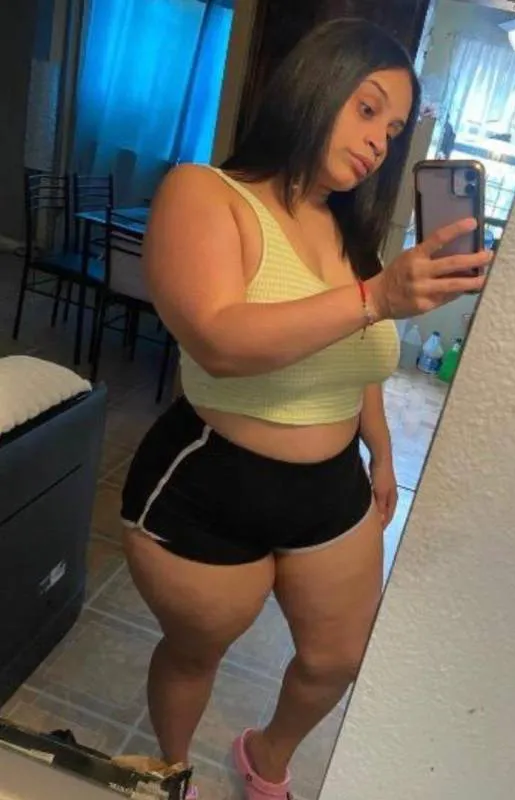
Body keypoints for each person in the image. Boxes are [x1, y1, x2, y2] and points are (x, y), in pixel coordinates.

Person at [120, 17, 490, 800]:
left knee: (336, 658)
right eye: (367, 109)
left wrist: (380, 448)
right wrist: (376, 297)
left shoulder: (351, 235)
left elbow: (357, 357)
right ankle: (173, 771)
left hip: (331, 485)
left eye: (393, 130)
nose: (379, 142)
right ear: (314, 86)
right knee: (195, 653)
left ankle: (267, 759)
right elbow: (219, 339)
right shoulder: (204, 193)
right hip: (210, 481)